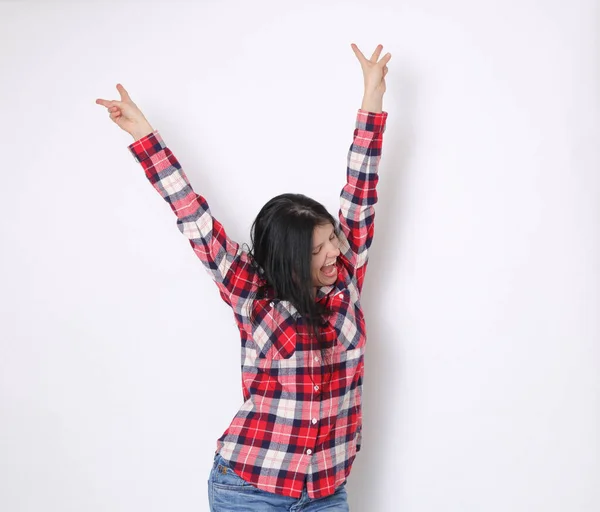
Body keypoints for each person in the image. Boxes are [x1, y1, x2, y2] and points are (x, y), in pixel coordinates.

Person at [96, 42, 391, 512]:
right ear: (291, 259)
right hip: (249, 490)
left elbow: (361, 187)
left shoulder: (346, 277)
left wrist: (372, 96)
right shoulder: (253, 293)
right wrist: (143, 135)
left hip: (326, 493)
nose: (334, 251)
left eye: (332, 238)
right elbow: (193, 216)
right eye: (317, 249)